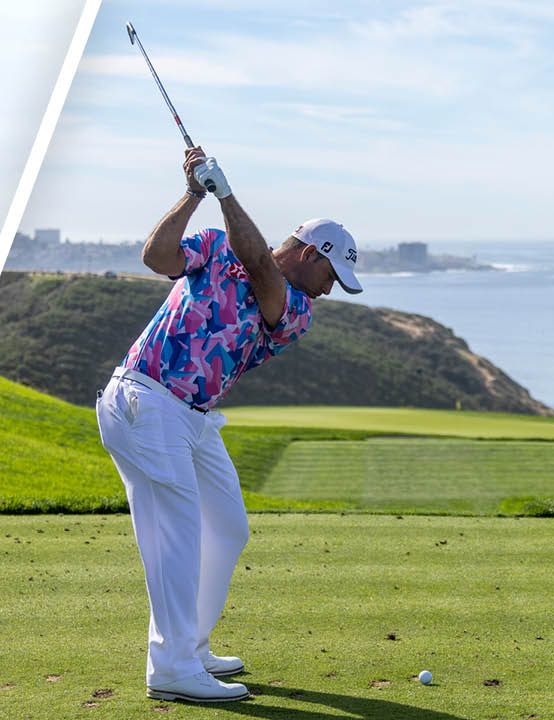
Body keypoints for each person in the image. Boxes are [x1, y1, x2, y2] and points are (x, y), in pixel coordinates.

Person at [95, 148, 362, 704]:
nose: (331, 288)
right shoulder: (215, 247)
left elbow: (263, 268)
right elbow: (156, 255)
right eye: (332, 273)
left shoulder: (293, 308)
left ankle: (189, 645)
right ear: (313, 253)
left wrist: (226, 193)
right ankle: (170, 668)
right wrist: (196, 192)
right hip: (147, 399)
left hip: (190, 416)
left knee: (228, 526)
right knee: (178, 532)